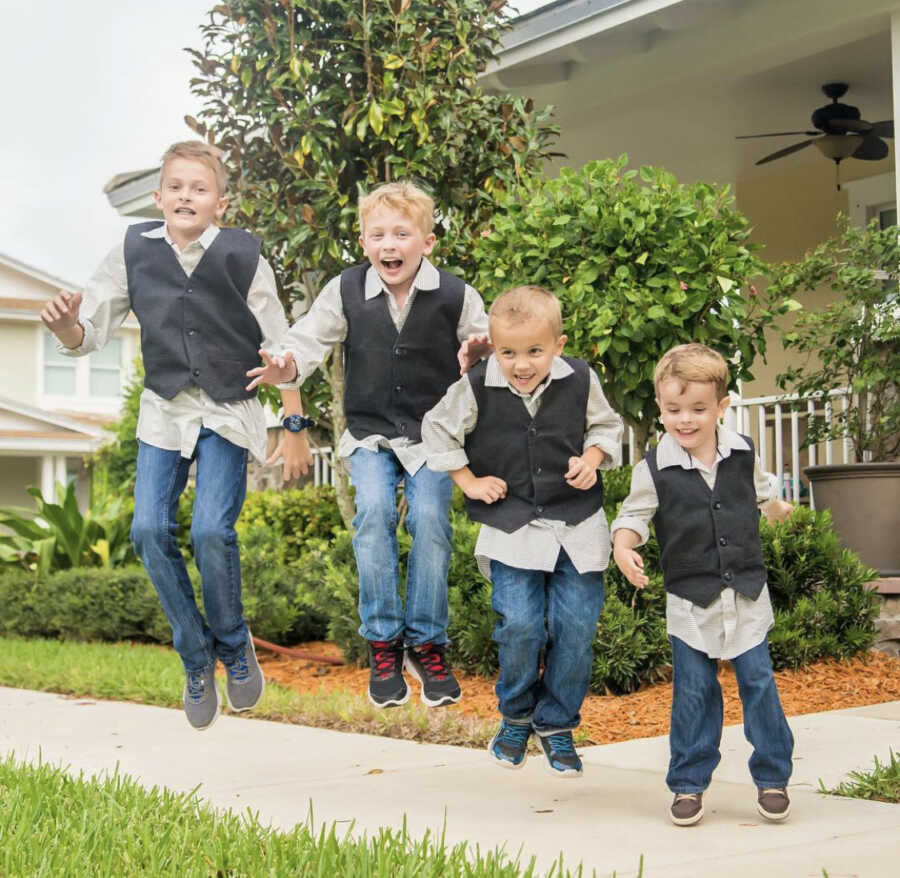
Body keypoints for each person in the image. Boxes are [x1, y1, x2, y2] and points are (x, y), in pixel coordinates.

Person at [40, 141, 313, 731]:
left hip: (228, 410)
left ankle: (234, 646)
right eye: (176, 186)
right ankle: (196, 656)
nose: (186, 195)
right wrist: (68, 328)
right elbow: (90, 330)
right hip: (165, 412)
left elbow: (282, 346)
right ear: (159, 196)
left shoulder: (245, 256)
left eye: (200, 188)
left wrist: (292, 423)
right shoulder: (131, 250)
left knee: (212, 529)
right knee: (146, 529)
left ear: (221, 202)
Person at [246, 181, 488, 709]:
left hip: (431, 437)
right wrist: (286, 365)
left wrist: (480, 356)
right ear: (363, 242)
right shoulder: (346, 289)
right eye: (377, 234)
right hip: (370, 433)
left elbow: (486, 349)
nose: (389, 244)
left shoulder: (456, 294)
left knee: (430, 521)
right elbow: (307, 340)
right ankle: (383, 642)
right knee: (374, 514)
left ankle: (427, 643)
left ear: (426, 242)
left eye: (401, 233)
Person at [421, 285, 623, 776]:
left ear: (558, 344)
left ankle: (556, 724)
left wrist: (592, 460)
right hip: (512, 529)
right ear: (493, 345)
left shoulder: (580, 378)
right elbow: (437, 429)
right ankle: (515, 715)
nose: (522, 364)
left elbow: (606, 427)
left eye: (535, 351)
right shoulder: (474, 386)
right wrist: (468, 480)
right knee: (521, 627)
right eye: (509, 352)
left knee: (575, 630)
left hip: (577, 526)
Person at [611, 343, 794, 825]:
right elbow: (634, 516)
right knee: (694, 692)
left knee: (758, 684)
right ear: (660, 408)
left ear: (721, 407)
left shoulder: (741, 453)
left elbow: (763, 495)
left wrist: (780, 514)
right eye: (673, 410)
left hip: (747, 596)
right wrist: (623, 546)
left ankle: (773, 776)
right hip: (690, 602)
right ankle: (689, 784)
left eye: (697, 409)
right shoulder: (652, 468)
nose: (685, 420)